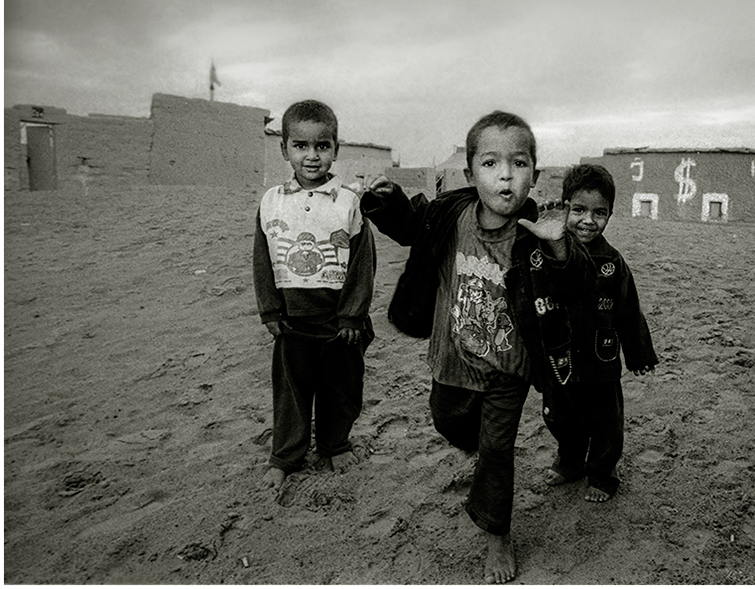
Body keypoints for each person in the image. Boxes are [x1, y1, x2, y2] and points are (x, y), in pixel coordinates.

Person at [360, 111, 592, 584]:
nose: (505, 175)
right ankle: (483, 458)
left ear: (535, 174)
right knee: (446, 420)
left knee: (496, 448)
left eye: (519, 163)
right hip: (452, 358)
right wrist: (385, 203)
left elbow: (578, 284)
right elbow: (410, 224)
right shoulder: (451, 215)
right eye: (490, 163)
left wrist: (559, 246)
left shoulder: (541, 231)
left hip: (510, 367)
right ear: (470, 174)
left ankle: (497, 534)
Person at [252, 99, 376, 492]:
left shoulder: (348, 203)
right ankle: (286, 455)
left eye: (322, 146)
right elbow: (262, 258)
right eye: (301, 146)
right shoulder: (271, 201)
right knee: (291, 392)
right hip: (291, 323)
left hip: (339, 323)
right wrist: (270, 309)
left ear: (335, 149)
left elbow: (362, 263)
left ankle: (334, 444)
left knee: (342, 388)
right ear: (284, 149)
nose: (312, 156)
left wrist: (352, 315)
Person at [539, 163, 658, 503]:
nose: (588, 221)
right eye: (578, 210)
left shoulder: (612, 262)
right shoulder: (544, 254)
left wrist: (639, 354)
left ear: (609, 215)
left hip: (600, 361)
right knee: (560, 419)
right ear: (565, 208)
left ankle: (603, 473)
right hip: (558, 361)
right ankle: (571, 461)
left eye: (599, 213)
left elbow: (628, 310)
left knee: (607, 424)